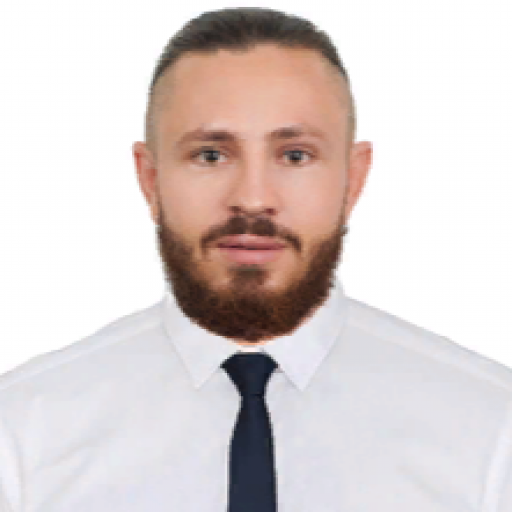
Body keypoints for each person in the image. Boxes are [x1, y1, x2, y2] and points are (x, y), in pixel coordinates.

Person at [0, 6, 511, 512]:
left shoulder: (491, 431)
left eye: (295, 156)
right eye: (210, 155)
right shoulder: (21, 436)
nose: (252, 198)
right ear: (150, 180)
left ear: (353, 180)